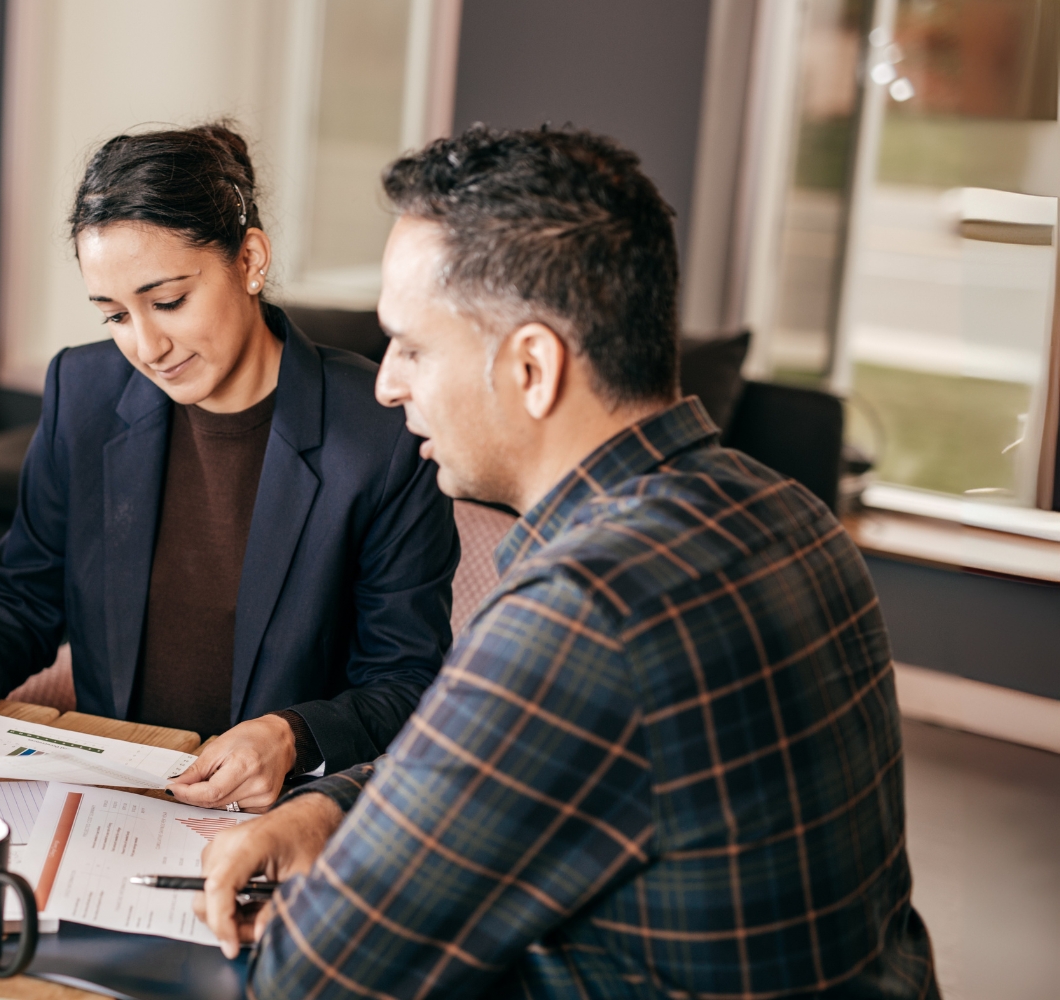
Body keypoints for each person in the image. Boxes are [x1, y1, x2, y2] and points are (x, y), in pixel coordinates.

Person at [196, 126, 938, 998]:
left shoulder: (587, 608)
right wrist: (329, 807)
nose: (388, 384)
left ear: (534, 367)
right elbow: (511, 760)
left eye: (413, 347)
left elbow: (314, 979)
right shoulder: (788, 513)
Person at [0, 124, 458, 810]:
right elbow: (23, 599)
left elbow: (407, 680)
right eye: (114, 315)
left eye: (168, 301)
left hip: (283, 813)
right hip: (115, 797)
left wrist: (292, 736)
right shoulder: (84, 392)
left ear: (250, 259)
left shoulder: (379, 430)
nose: (147, 345)